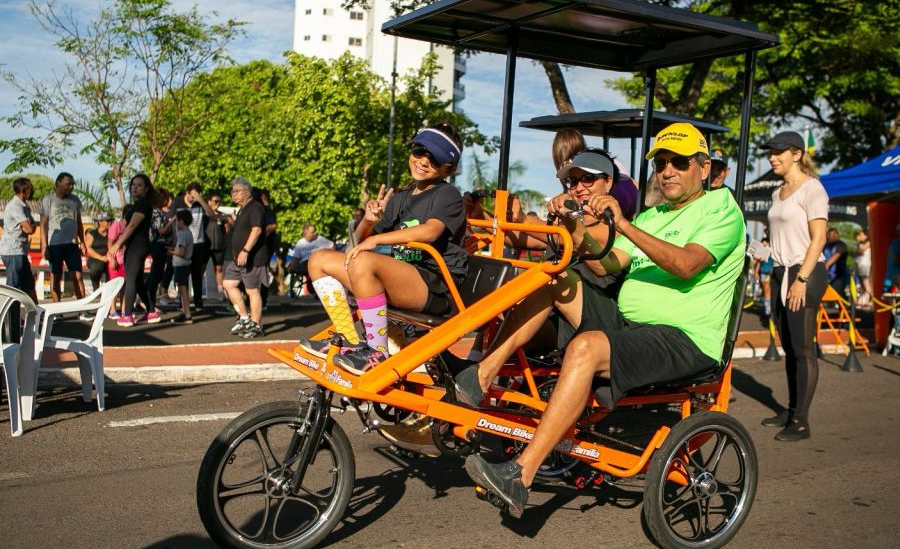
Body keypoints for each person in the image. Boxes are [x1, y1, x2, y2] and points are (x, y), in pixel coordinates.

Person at [461, 122, 745, 517]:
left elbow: (685, 264)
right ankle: (480, 376)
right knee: (555, 276)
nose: (667, 171)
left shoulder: (721, 210)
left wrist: (623, 223)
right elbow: (605, 264)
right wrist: (570, 223)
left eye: (679, 163)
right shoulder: (653, 216)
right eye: (661, 163)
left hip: (686, 339)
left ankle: (520, 476)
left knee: (586, 347)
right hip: (631, 325)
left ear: (704, 166)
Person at [448, 149, 630, 406]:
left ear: (608, 182)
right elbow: (521, 237)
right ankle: (471, 365)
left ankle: (480, 375)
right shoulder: (571, 223)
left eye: (588, 179)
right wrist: (481, 215)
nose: (579, 187)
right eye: (573, 181)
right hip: (557, 317)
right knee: (502, 293)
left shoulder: (612, 226)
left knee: (551, 276)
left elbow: (577, 239)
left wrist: (539, 219)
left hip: (593, 318)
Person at [301, 122, 468, 375]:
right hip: (402, 275)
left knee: (364, 262)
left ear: (450, 168)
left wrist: (377, 240)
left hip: (437, 285)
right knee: (319, 259)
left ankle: (377, 352)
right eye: (419, 151)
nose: (423, 161)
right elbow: (357, 243)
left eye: (434, 158)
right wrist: (369, 222)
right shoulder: (401, 197)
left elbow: (430, 231)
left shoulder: (447, 194)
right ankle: (349, 340)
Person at [762, 130, 829, 442]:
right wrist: (763, 251)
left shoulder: (812, 189)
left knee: (802, 349)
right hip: (779, 271)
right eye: (770, 152)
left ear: (797, 154)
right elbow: (779, 236)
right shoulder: (777, 192)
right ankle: (791, 410)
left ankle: (801, 422)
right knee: (789, 347)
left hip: (804, 272)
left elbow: (819, 239)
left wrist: (801, 279)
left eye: (778, 152)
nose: (772, 158)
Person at [107, 174, 158, 327]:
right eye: (133, 185)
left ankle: (127, 315)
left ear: (146, 188)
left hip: (137, 246)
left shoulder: (143, 204)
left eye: (139, 185)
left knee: (130, 279)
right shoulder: (138, 204)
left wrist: (117, 244)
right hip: (136, 245)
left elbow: (132, 226)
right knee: (138, 281)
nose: (135, 188)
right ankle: (151, 312)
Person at [223, 177, 268, 339]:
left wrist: (245, 250)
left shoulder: (255, 207)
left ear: (247, 193)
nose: (233, 194)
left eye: (237, 191)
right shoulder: (242, 209)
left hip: (253, 258)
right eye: (232, 191)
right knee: (228, 283)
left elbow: (256, 230)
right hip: (239, 259)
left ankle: (256, 325)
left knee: (252, 290)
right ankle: (244, 318)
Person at [40, 172, 86, 302]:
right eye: (68, 184)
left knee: (77, 276)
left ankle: (83, 307)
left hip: (72, 245)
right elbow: (43, 225)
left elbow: (79, 222)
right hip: (54, 245)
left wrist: (82, 241)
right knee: (55, 277)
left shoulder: (75, 200)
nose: (71, 187)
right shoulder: (48, 200)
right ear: (58, 183)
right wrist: (44, 247)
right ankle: (57, 309)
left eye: (72, 184)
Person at [0, 177, 38, 303]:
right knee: (13, 288)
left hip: (21, 251)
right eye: (30, 188)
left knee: (29, 284)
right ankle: (11, 315)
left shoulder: (24, 206)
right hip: (13, 251)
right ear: (23, 190)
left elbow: (32, 226)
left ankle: (37, 312)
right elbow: (29, 228)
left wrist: (30, 227)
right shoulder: (15, 205)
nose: (31, 191)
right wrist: (29, 227)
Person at [180, 182, 217, 311]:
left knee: (197, 274)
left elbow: (211, 215)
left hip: (198, 244)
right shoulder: (180, 204)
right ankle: (183, 301)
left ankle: (198, 301)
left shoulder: (200, 205)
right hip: (184, 244)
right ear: (187, 193)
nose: (194, 197)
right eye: (193, 194)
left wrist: (200, 199)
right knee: (183, 274)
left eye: (197, 194)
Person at [146, 188, 173, 314]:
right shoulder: (156, 212)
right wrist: (172, 221)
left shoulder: (159, 212)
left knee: (157, 274)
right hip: (157, 245)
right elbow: (160, 230)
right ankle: (150, 305)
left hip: (162, 246)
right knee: (156, 275)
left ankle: (149, 302)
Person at [287, 223, 334, 294]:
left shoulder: (320, 239)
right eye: (312, 232)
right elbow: (296, 257)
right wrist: (293, 266)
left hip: (318, 262)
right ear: (306, 233)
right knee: (294, 266)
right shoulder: (300, 243)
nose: (314, 233)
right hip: (305, 263)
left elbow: (332, 245)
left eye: (314, 231)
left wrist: (330, 254)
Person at [170, 209, 194, 325]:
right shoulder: (188, 233)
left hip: (181, 265)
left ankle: (187, 314)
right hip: (185, 264)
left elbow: (181, 252)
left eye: (177, 221)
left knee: (183, 289)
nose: (176, 223)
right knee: (182, 289)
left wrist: (171, 252)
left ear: (181, 221)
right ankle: (185, 312)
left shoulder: (183, 235)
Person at [204, 192, 228, 300]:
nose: (218, 203)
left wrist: (227, 224)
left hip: (219, 245)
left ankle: (220, 291)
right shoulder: (204, 214)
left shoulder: (222, 215)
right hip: (206, 246)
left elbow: (226, 230)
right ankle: (197, 293)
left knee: (219, 268)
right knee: (202, 268)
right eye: (215, 201)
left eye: (219, 201)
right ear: (209, 202)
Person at [85, 212, 112, 295]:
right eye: (107, 221)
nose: (110, 222)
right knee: (96, 267)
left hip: (109, 258)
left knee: (112, 269)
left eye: (111, 220)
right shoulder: (92, 233)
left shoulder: (112, 233)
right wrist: (101, 258)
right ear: (100, 222)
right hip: (95, 258)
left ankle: (109, 292)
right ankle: (96, 288)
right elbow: (88, 249)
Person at [823, 227, 849, 300]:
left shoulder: (841, 245)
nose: (829, 237)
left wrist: (826, 265)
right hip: (827, 274)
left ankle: (844, 305)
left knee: (838, 293)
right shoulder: (826, 245)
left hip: (838, 275)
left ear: (836, 235)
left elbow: (836, 256)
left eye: (831, 235)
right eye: (828, 235)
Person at [854, 229, 872, 308]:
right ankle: (863, 300)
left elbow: (860, 251)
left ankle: (871, 299)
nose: (858, 237)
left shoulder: (869, 242)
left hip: (865, 266)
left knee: (866, 283)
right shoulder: (860, 244)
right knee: (862, 284)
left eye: (860, 235)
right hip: (860, 265)